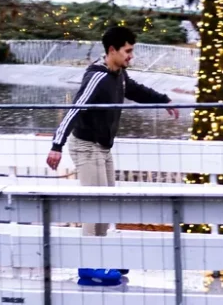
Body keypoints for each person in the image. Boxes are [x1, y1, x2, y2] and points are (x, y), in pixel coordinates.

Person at [46, 25, 180, 238]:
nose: (131, 56)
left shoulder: (119, 74)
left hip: (103, 148)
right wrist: (56, 145)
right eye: (127, 51)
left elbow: (135, 90)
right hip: (86, 147)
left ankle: (102, 257)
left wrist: (163, 100)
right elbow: (75, 109)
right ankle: (89, 264)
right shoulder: (97, 77)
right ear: (112, 50)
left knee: (107, 204)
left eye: (131, 51)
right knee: (94, 205)